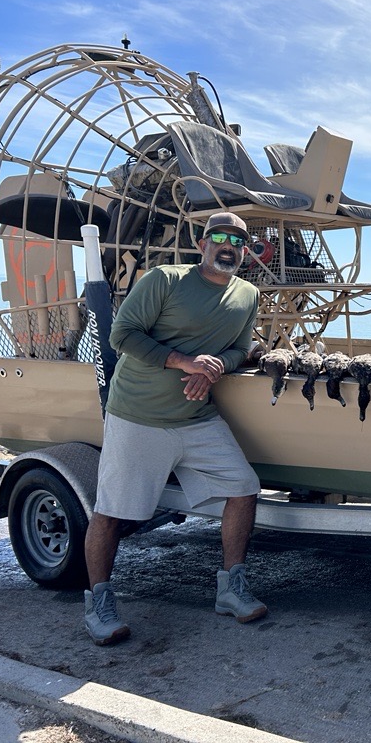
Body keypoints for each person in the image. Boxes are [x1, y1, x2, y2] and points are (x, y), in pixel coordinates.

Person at [83, 211, 268, 646]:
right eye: (219, 237)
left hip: (196, 418)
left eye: (237, 241)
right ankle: (98, 604)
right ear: (202, 244)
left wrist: (216, 367)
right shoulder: (165, 279)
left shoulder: (248, 294)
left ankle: (231, 589)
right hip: (138, 416)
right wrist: (185, 362)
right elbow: (122, 335)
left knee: (244, 487)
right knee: (111, 512)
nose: (228, 247)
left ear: (246, 251)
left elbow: (241, 348)